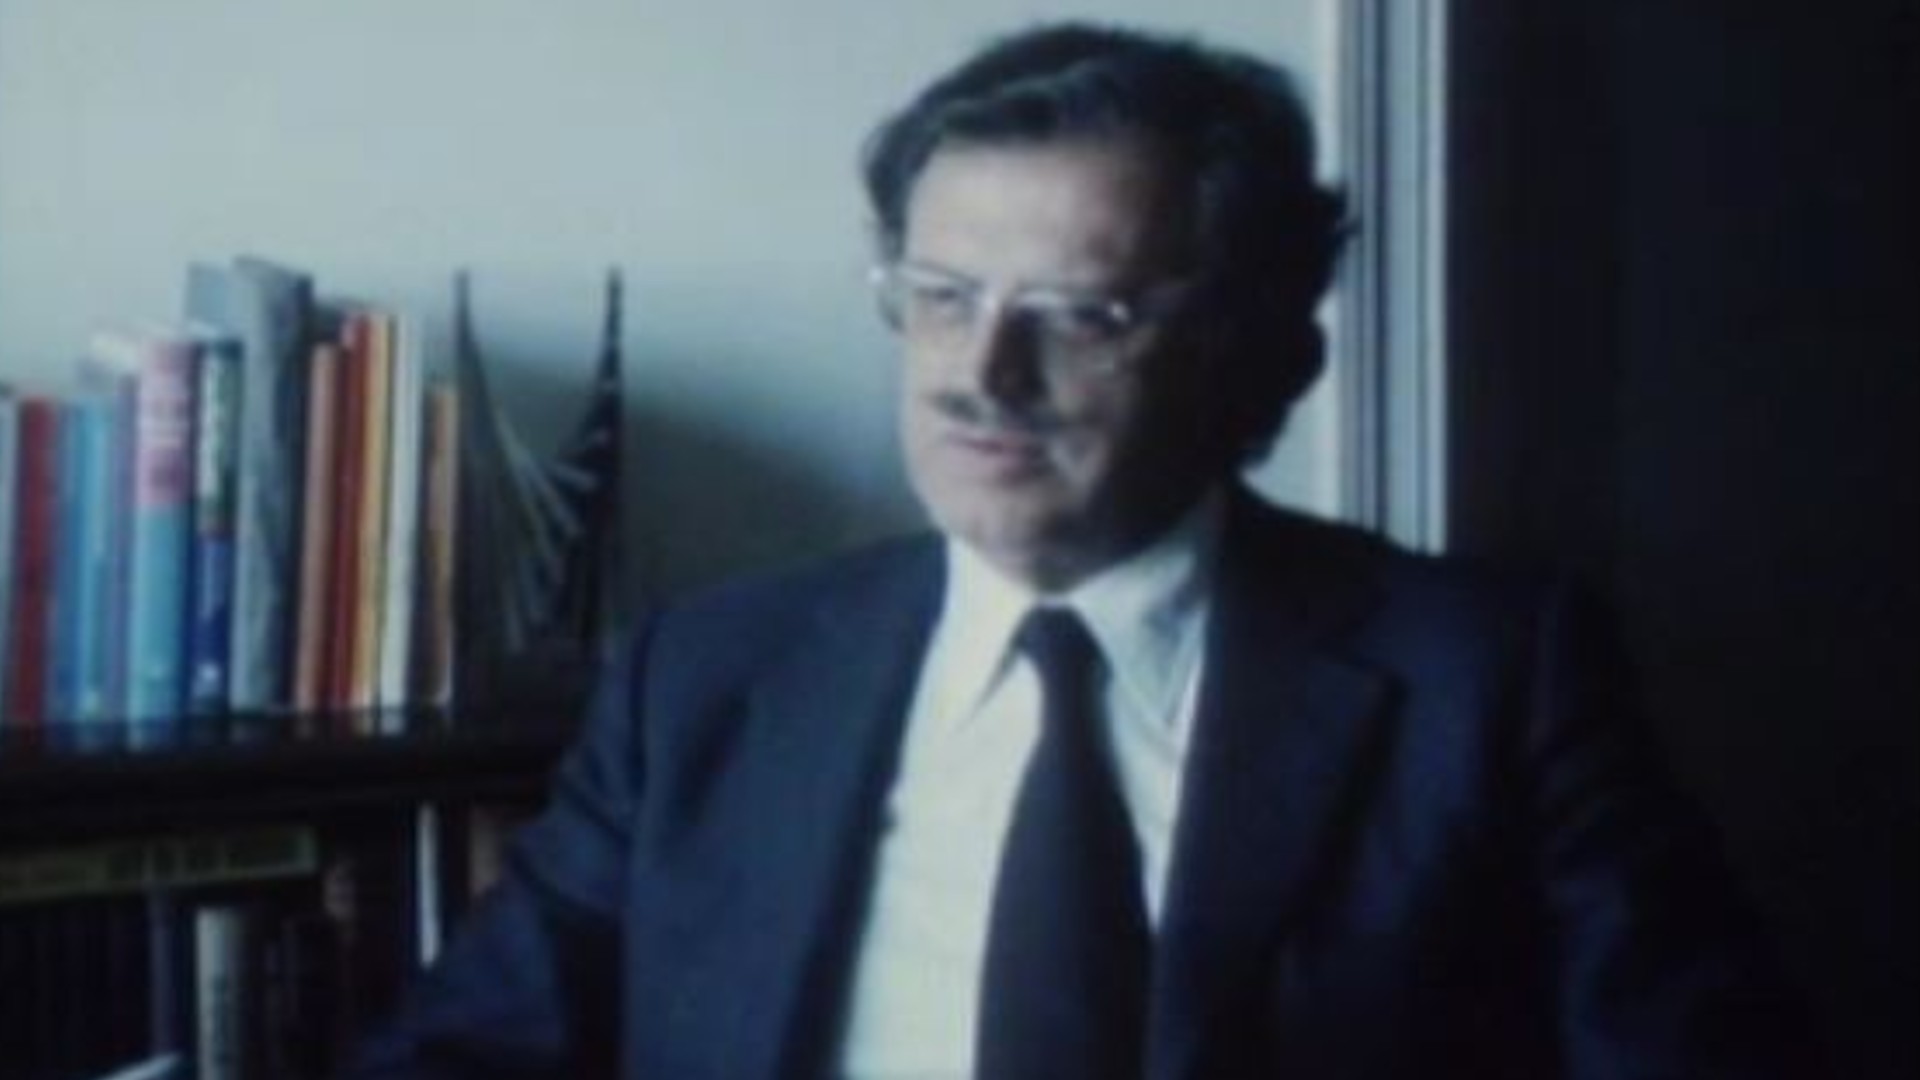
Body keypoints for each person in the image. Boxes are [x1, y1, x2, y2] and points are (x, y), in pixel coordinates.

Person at [350, 22, 1813, 1080]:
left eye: (1081, 316)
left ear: (1263, 357)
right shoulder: (710, 676)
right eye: (942, 296)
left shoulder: (1488, 679)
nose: (981, 373)